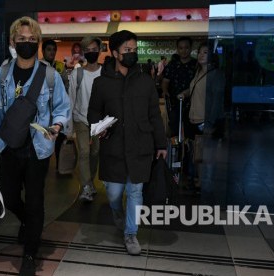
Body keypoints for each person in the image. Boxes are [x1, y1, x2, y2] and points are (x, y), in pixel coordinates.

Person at [0, 16, 70, 276]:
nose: (27, 43)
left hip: (38, 147)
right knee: (8, 196)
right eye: (22, 39)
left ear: (39, 43)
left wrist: (57, 126)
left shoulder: (50, 75)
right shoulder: (2, 75)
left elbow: (62, 109)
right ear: (12, 41)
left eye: (32, 39)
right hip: (9, 145)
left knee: (35, 201)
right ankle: (26, 222)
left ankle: (30, 253)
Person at [87, 30, 167, 255]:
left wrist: (160, 144)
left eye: (134, 50)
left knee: (135, 192)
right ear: (115, 53)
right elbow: (93, 113)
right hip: (113, 146)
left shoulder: (145, 81)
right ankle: (116, 211)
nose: (132, 54)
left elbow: (154, 115)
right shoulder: (102, 83)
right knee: (113, 193)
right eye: (127, 50)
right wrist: (100, 129)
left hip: (141, 145)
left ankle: (131, 234)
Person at [177, 43, 225, 191]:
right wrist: (184, 93)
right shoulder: (198, 72)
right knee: (196, 155)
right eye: (199, 52)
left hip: (204, 121)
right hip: (193, 119)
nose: (201, 55)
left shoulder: (215, 74)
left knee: (204, 157)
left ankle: (204, 185)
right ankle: (198, 182)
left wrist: (210, 123)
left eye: (205, 52)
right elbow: (194, 89)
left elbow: (217, 101)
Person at [68, 36, 102, 202]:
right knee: (84, 152)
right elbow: (71, 98)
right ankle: (87, 186)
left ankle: (89, 182)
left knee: (95, 152)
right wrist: (69, 126)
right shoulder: (77, 73)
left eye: (94, 50)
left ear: (100, 50)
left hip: (100, 121)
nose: (91, 53)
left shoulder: (105, 73)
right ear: (83, 53)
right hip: (81, 118)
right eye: (87, 50)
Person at [41, 39, 69, 172]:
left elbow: (66, 86)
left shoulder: (60, 66)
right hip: (43, 110)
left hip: (57, 108)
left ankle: (59, 165)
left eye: (54, 50)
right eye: (48, 49)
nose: (51, 52)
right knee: (43, 139)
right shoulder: (38, 66)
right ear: (43, 51)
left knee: (59, 138)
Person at [162, 37, 196, 136]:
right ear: (177, 49)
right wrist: (165, 91)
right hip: (174, 104)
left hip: (192, 105)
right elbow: (165, 81)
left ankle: (189, 150)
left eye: (186, 47)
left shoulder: (196, 65)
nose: (183, 50)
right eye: (181, 48)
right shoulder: (172, 65)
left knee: (190, 132)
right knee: (174, 131)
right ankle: (176, 150)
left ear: (190, 48)